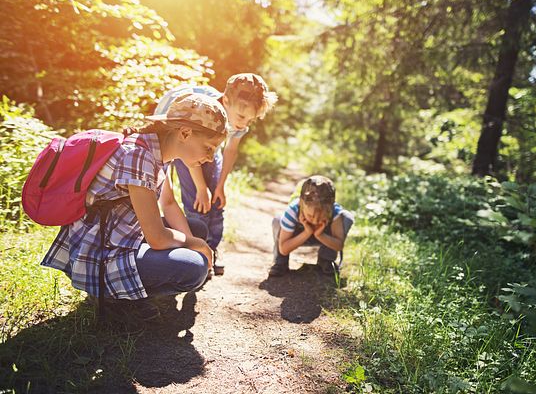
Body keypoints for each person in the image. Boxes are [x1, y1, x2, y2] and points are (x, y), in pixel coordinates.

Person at [41, 92, 228, 321]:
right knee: (194, 267)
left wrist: (192, 240)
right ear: (185, 133)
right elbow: (157, 238)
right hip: (100, 255)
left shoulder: (158, 153)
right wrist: (196, 245)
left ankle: (131, 289)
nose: (210, 158)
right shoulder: (139, 157)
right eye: (208, 148)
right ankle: (112, 298)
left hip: (121, 238)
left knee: (196, 228)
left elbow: (168, 203)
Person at [154, 74, 277, 276]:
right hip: (177, 139)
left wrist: (219, 186)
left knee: (215, 201)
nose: (244, 124)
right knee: (197, 198)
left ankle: (211, 247)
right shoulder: (205, 112)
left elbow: (230, 150)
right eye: (241, 117)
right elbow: (189, 151)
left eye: (250, 120)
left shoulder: (238, 120)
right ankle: (197, 250)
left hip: (206, 143)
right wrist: (201, 189)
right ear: (226, 101)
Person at [269, 175, 354, 277]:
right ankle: (280, 263)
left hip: (324, 237)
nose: (315, 221)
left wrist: (320, 235)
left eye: (321, 217)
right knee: (278, 220)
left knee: (346, 217)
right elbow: (284, 248)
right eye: (310, 216)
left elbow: (339, 245)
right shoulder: (292, 211)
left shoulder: (335, 212)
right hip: (297, 236)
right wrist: (307, 232)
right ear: (301, 203)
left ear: (331, 208)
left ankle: (326, 260)